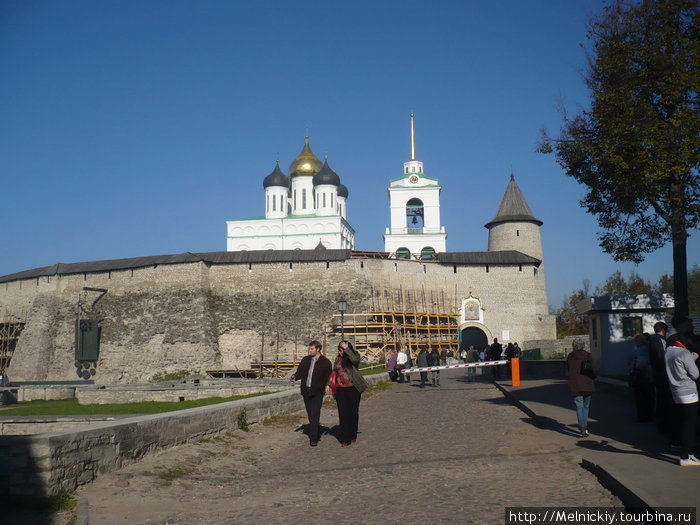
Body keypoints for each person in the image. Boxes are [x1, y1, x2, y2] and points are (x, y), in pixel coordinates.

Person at [664, 340, 700, 466]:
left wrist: (691, 358)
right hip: (688, 392)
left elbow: (678, 366)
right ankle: (686, 456)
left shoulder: (668, 352)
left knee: (682, 421)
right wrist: (693, 359)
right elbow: (695, 374)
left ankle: (679, 446)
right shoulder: (684, 353)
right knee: (690, 425)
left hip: (675, 391)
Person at [290, 340, 332, 447]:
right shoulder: (305, 360)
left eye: (312, 348)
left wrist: (327, 385)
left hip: (318, 391)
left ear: (318, 349)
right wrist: (295, 376)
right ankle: (315, 429)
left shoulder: (325, 362)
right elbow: (300, 372)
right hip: (306, 390)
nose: (309, 350)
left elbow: (329, 376)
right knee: (310, 413)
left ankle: (313, 438)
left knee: (315, 413)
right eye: (309, 348)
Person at [333, 340, 368, 446]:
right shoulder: (337, 358)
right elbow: (334, 372)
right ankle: (345, 438)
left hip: (353, 388)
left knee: (352, 413)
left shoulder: (354, 355)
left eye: (342, 350)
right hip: (340, 389)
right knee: (343, 414)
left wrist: (347, 350)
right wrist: (328, 384)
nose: (340, 352)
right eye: (339, 350)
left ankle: (353, 434)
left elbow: (355, 361)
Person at [567, 338, 597, 437]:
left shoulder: (570, 356)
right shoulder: (588, 356)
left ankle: (582, 427)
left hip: (575, 385)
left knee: (579, 407)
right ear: (583, 346)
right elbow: (595, 369)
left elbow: (567, 369)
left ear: (574, 346)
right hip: (588, 384)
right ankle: (585, 427)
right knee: (586, 407)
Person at [649, 322, 673, 435]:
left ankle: (662, 424)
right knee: (663, 400)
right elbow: (660, 357)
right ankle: (664, 426)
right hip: (661, 374)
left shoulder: (652, 340)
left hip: (657, 373)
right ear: (663, 330)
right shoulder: (659, 341)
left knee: (660, 399)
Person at [629, 334, 654, 422]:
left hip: (641, 377)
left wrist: (633, 367)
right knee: (648, 397)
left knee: (641, 398)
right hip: (648, 377)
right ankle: (649, 415)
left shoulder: (640, 351)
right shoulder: (648, 349)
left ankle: (643, 416)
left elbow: (638, 363)